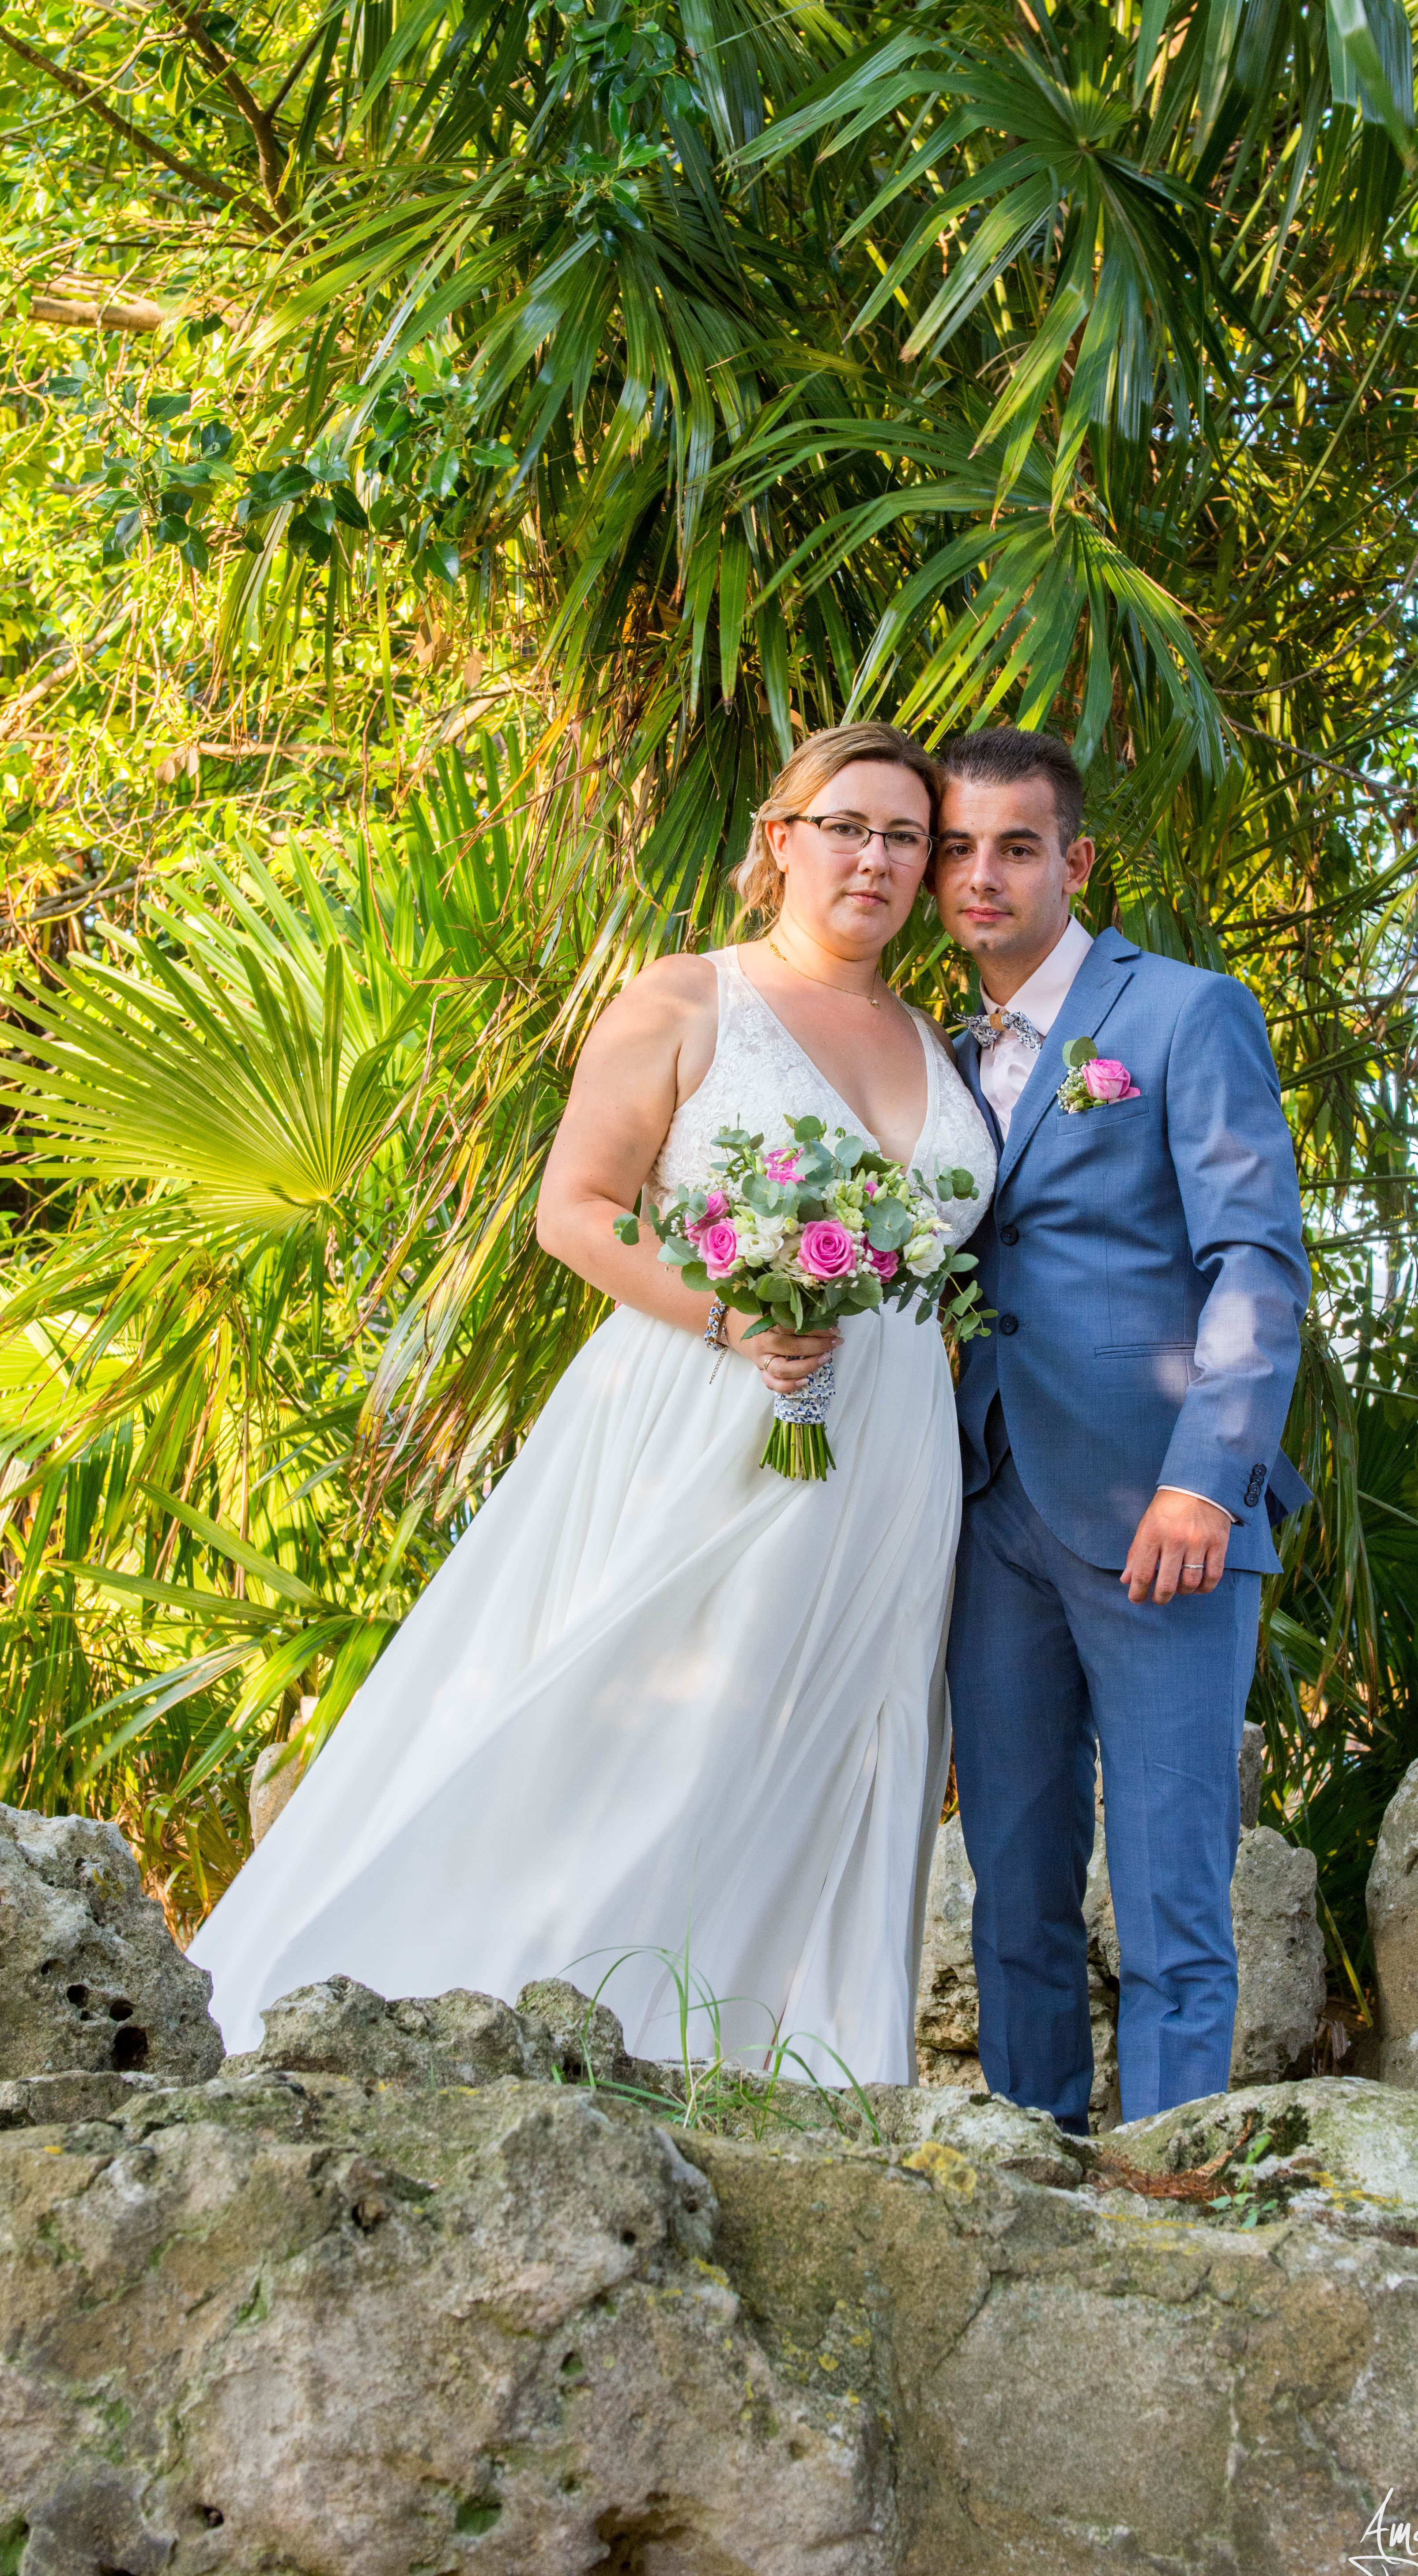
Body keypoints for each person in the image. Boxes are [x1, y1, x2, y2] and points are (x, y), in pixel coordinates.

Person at [189, 723, 997, 2083]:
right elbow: (574, 1212)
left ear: (929, 872)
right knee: (646, 1719)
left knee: (827, 1739)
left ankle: (774, 2068)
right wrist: (738, 1316)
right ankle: (527, 2031)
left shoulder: (943, 1043)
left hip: (892, 1446)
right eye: (848, 825)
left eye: (906, 837)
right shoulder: (691, 1000)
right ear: (781, 838)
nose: (876, 855)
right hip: (705, 1412)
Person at [934, 726, 1311, 2135]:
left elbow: (1257, 1263)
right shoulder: (939, 1051)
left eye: (1016, 848)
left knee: (1170, 1899)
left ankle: (1169, 2203)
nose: (984, 876)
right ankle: (1032, 2185)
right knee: (1014, 1891)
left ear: (1073, 861)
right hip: (988, 1510)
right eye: (959, 850)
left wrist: (1209, 1483)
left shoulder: (1183, 1013)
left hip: (1165, 1518)